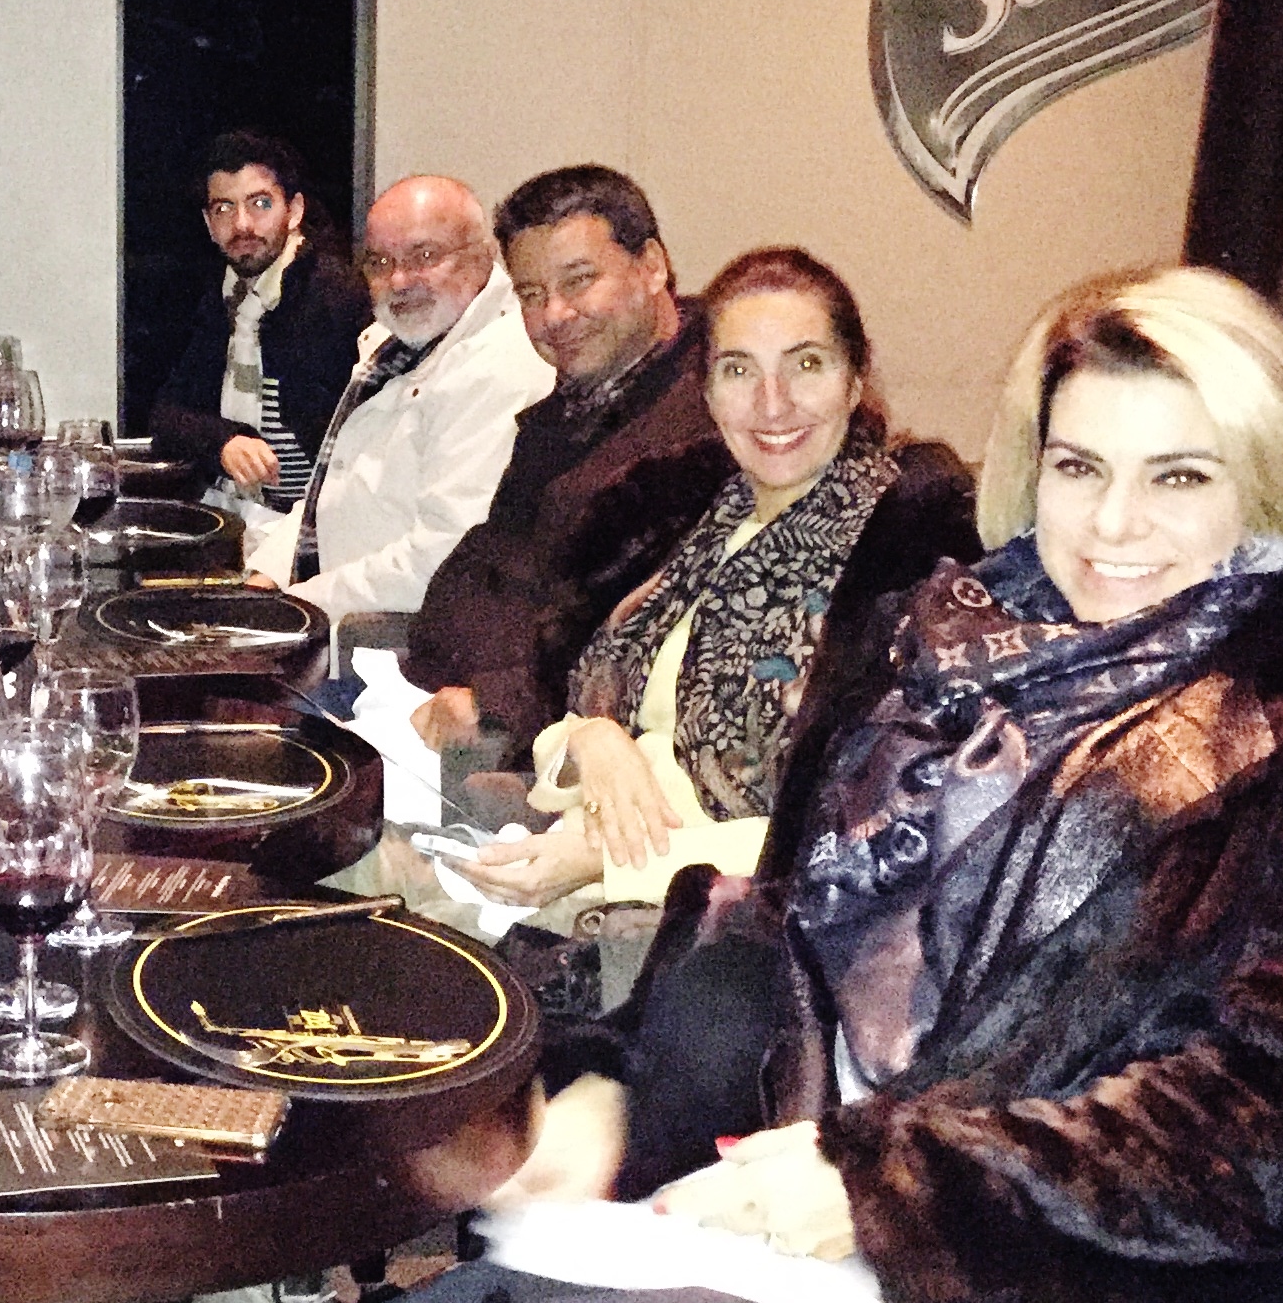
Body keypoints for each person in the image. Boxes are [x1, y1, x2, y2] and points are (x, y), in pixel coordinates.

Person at [258, 264, 1283, 1303]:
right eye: (1080, 467)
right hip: (821, 1211)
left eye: (1179, 476)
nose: (1112, 525)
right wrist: (618, 1090)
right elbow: (793, 927)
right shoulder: (964, 646)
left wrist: (888, 1181)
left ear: (1271, 479)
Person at [417, 247, 979, 941]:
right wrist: (593, 739)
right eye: (739, 370)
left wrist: (611, 865)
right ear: (706, 392)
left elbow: (881, 823)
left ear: (854, 379)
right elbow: (569, 700)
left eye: (806, 364)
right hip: (568, 861)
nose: (772, 402)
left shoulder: (905, 562)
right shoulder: (693, 517)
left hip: (717, 930)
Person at [403, 166, 734, 762]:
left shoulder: (705, 434)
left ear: (652, 266)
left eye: (579, 281)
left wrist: (498, 703)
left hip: (552, 757)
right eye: (531, 294)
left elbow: (647, 641)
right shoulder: (577, 406)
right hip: (442, 701)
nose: (555, 315)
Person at [245, 173, 555, 621]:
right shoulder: (401, 343)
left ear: (483, 255)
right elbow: (334, 494)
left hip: (404, 641)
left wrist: (294, 606)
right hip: (334, 615)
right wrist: (266, 577)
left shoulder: (502, 366)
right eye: (380, 262)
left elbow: (444, 559)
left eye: (424, 256)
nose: (399, 279)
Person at [145, 130, 372, 513]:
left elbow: (363, 437)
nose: (242, 224)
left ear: (294, 211)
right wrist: (224, 442)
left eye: (260, 204)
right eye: (224, 209)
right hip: (233, 511)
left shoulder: (336, 296)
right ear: (208, 223)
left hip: (315, 518)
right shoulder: (220, 297)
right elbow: (166, 415)